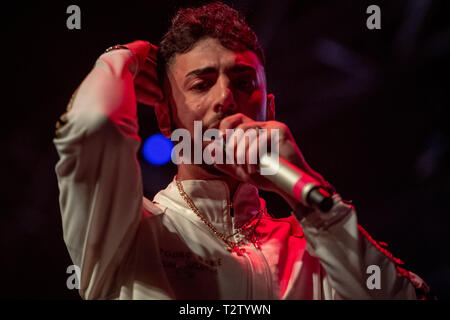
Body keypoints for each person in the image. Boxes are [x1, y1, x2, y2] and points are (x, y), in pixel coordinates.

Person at [54, 2, 430, 299]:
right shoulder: (129, 232)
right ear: (166, 120)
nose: (226, 98)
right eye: (201, 84)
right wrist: (124, 57)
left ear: (270, 109)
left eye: (243, 81)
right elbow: (92, 125)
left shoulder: (314, 251)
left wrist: (312, 198)